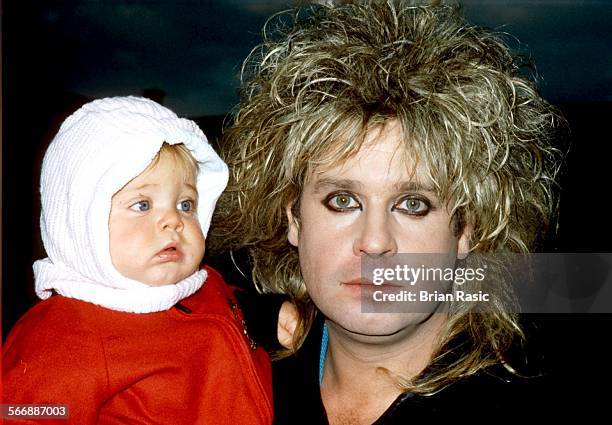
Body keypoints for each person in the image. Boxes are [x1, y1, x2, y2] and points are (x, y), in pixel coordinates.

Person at [212, 1, 565, 423]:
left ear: (465, 231)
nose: (375, 241)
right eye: (343, 200)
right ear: (293, 218)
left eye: (412, 205)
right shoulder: (231, 377)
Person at [2, 96, 273, 424]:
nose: (173, 220)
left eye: (185, 204)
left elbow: (231, 309)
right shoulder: (63, 335)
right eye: (143, 205)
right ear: (82, 219)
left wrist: (268, 317)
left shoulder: (203, 284)